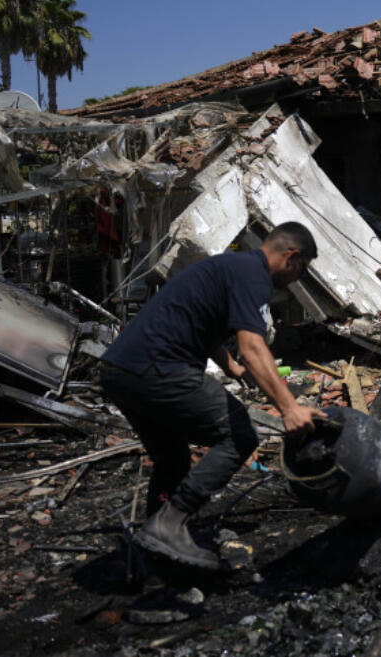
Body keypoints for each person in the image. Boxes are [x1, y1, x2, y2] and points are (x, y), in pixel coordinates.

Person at [99, 221, 326, 568]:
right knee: (238, 434)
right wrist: (290, 408)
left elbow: (205, 326)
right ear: (292, 257)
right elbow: (253, 345)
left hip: (121, 371)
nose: (296, 279)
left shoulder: (232, 267)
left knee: (172, 458)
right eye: (301, 269)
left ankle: (157, 545)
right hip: (159, 368)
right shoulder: (255, 276)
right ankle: (170, 523)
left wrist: (232, 367)